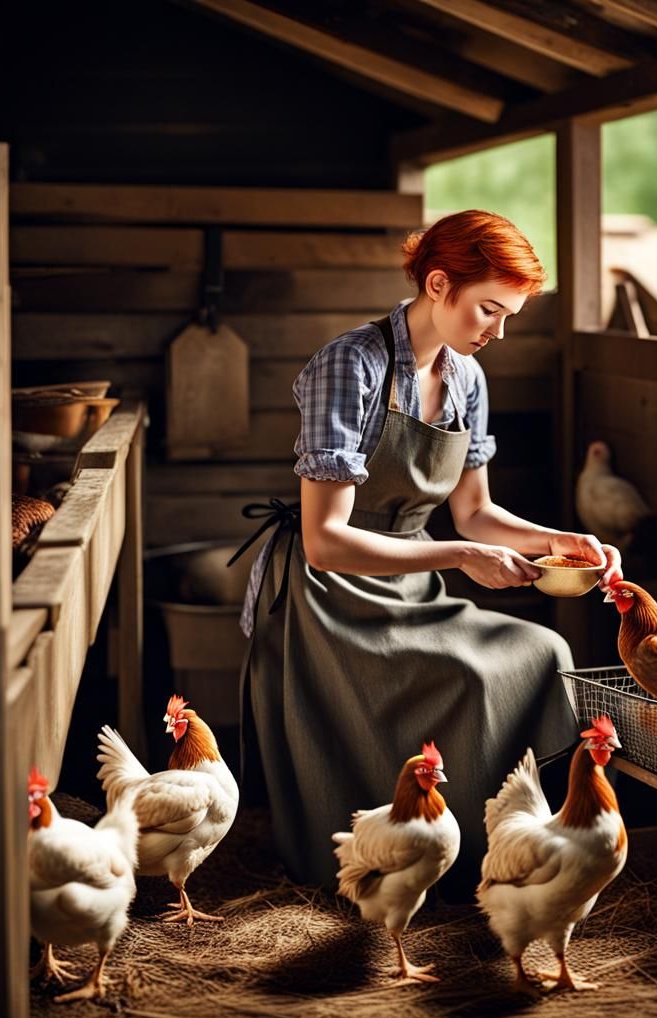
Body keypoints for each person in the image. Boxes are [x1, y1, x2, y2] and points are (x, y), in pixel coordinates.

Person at [237, 209, 623, 893]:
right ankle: (399, 865)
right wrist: (454, 558)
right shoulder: (349, 365)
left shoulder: (466, 378)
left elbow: (473, 513)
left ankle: (494, 859)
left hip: (413, 584)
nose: (496, 332)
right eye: (488, 310)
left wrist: (556, 540)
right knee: (473, 677)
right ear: (439, 283)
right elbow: (326, 542)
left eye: (509, 316)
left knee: (545, 655)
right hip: (333, 600)